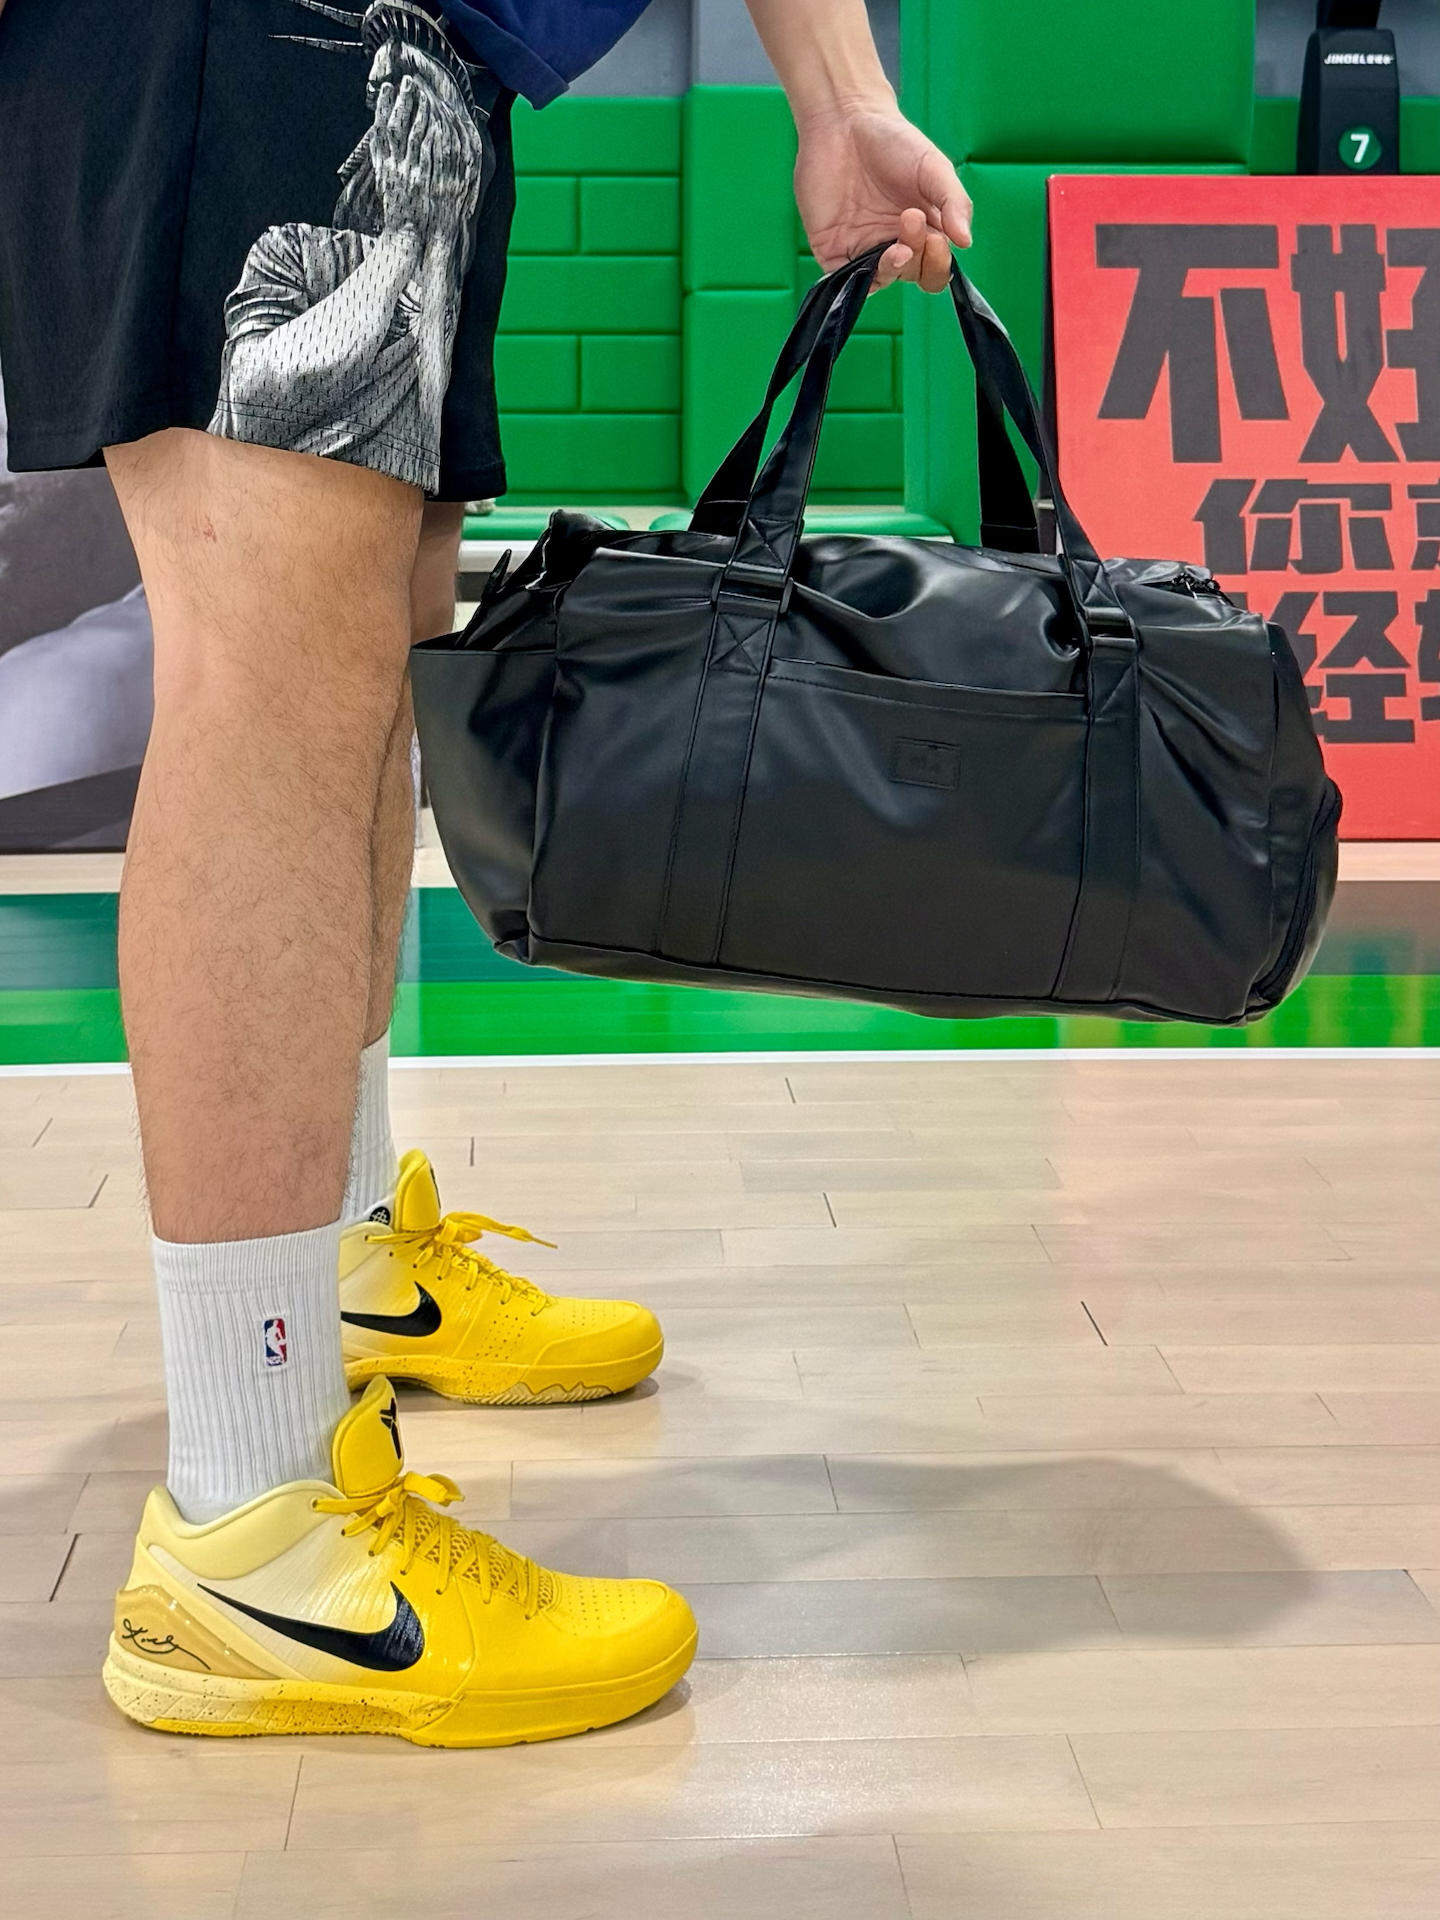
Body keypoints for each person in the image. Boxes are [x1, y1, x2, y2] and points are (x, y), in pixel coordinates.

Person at [0, 0, 971, 1746]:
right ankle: (251, 1536)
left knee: (365, 655)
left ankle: (343, 1270)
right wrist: (837, 92)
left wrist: (843, 93)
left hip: (423, 43)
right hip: (246, 29)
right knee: (274, 679)